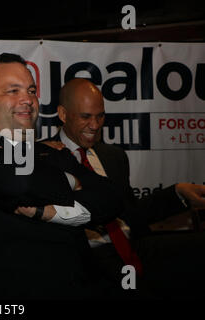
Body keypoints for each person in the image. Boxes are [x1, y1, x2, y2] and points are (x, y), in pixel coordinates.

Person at [0, 53, 125, 299]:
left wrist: (46, 212)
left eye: (32, 90)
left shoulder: (52, 153)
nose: (27, 99)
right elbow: (19, 182)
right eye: (12, 91)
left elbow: (110, 198)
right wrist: (71, 181)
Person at [40, 78, 205, 298]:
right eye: (86, 116)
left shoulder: (113, 157)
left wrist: (178, 193)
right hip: (88, 258)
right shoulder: (43, 158)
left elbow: (129, 214)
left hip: (131, 246)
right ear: (62, 114)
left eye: (100, 116)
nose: (95, 125)